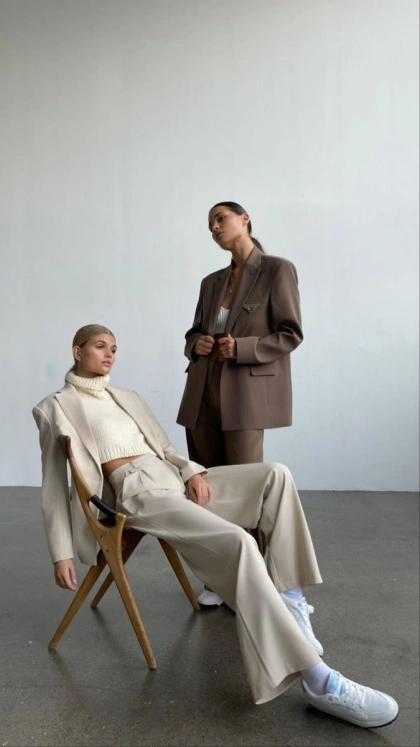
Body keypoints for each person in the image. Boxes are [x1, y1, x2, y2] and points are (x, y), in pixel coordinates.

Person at [33, 324, 398, 729]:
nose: (109, 355)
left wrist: (191, 470)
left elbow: (165, 446)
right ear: (77, 351)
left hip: (172, 478)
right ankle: (320, 681)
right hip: (138, 492)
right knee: (239, 543)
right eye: (100, 346)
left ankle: (291, 602)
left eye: (115, 349)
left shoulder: (128, 397)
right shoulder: (55, 407)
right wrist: (60, 553)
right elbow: (53, 484)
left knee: (275, 475)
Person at [177, 201, 303, 605]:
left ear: (244, 219)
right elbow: (193, 333)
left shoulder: (277, 270)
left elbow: (290, 333)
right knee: (206, 485)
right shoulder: (211, 282)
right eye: (210, 223)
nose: (214, 227)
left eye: (221, 219)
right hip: (202, 390)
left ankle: (252, 580)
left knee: (246, 487)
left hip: (245, 393)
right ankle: (217, 579)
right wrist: (197, 344)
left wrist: (243, 348)